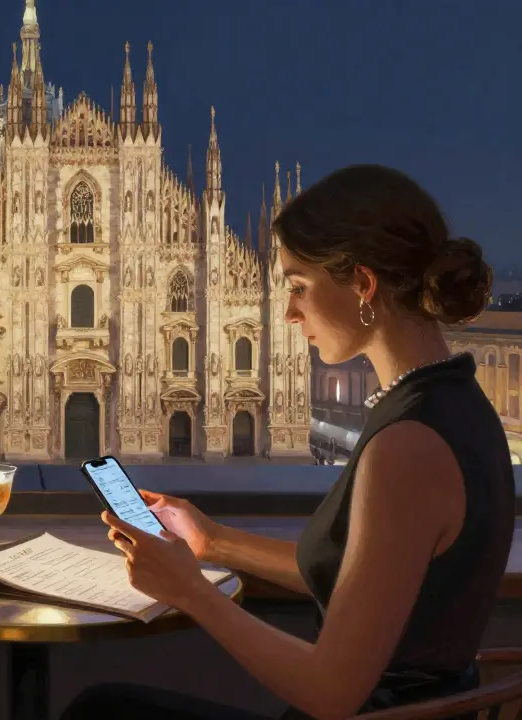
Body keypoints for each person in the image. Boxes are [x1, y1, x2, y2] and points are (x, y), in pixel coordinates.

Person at [67, 165, 509, 720]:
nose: (288, 311)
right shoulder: (451, 402)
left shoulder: (410, 445)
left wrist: (190, 591)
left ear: (363, 285)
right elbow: (365, 580)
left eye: (299, 286)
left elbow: (330, 692)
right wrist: (213, 541)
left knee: (102, 712)